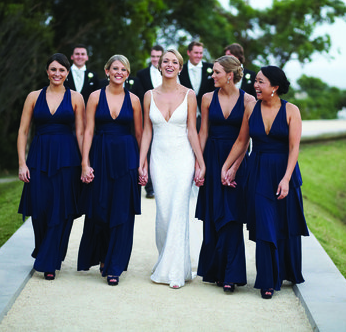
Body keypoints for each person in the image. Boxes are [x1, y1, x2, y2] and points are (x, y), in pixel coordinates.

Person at [221, 66, 309, 299]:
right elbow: (242, 141)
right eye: (256, 82)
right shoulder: (251, 108)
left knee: (283, 224)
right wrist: (226, 167)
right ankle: (267, 281)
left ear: (275, 86)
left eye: (261, 82)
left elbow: (294, 147)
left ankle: (284, 271)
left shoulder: (292, 110)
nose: (256, 86)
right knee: (265, 226)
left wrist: (287, 178)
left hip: (284, 171)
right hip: (258, 173)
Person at [138, 49, 206, 289]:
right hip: (159, 159)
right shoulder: (148, 95)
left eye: (174, 62)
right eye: (165, 61)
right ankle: (165, 260)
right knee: (163, 214)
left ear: (180, 67)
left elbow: (192, 130)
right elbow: (147, 131)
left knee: (178, 211)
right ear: (159, 65)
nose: (169, 64)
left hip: (182, 159)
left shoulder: (189, 94)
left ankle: (175, 271)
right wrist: (142, 161)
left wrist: (200, 162)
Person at [17, 53, 85, 280]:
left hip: (68, 159)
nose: (57, 74)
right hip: (39, 158)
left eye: (62, 70)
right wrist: (22, 163)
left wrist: (85, 163)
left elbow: (81, 132)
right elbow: (23, 131)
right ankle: (46, 250)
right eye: (53, 69)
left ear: (68, 73)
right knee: (40, 209)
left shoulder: (76, 98)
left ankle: (50, 261)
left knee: (62, 210)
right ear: (47, 71)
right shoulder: (33, 97)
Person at [78, 55, 142, 286]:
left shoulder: (134, 100)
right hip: (101, 155)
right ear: (107, 71)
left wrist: (142, 165)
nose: (119, 72)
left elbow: (139, 134)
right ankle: (104, 256)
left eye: (123, 69)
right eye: (115, 68)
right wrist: (85, 163)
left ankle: (115, 266)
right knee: (101, 209)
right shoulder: (95, 97)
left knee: (122, 212)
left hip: (126, 159)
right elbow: (87, 131)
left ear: (127, 73)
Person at [195, 55, 256, 293]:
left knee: (231, 218)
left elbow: (245, 139)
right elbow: (203, 133)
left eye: (216, 72)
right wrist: (200, 164)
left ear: (230, 75)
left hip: (237, 162)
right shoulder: (207, 98)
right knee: (212, 216)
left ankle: (231, 274)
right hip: (212, 158)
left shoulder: (249, 100)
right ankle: (215, 272)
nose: (212, 76)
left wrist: (232, 168)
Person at [136, 45, 165, 199]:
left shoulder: (171, 73)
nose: (155, 59)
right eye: (153, 56)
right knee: (148, 150)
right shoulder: (141, 74)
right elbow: (140, 96)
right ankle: (149, 187)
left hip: (167, 119)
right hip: (149, 117)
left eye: (158, 56)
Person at [178, 41, 215, 130]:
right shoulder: (180, 70)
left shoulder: (211, 68)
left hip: (208, 115)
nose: (199, 56)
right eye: (196, 53)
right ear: (188, 52)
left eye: (201, 53)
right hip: (186, 116)